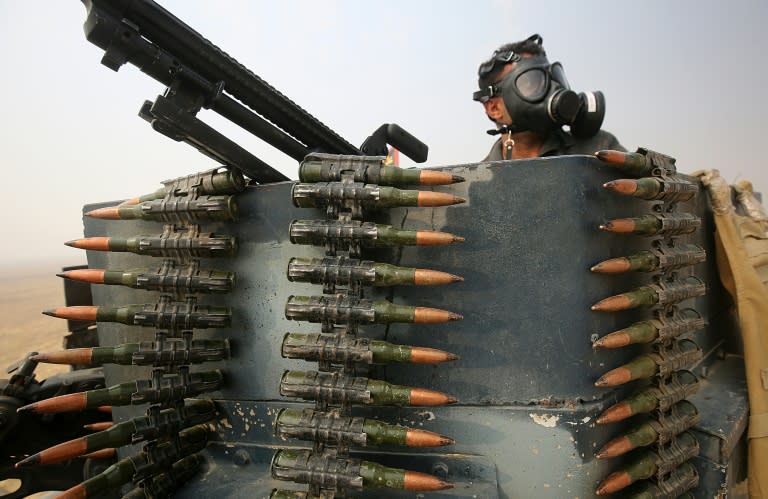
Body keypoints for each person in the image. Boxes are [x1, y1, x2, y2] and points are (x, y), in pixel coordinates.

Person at [473, 34, 625, 161]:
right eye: (533, 81)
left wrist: (647, 170)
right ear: (494, 108)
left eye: (554, 77)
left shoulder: (599, 149)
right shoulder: (479, 181)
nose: (554, 88)